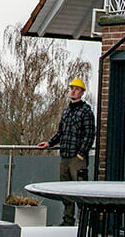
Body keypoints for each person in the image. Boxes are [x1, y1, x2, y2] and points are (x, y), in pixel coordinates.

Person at [39, 75, 96, 224]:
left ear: (82, 92)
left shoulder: (86, 111)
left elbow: (89, 134)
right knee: (65, 191)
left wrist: (81, 154)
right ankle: (68, 220)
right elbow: (60, 132)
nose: (73, 91)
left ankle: (84, 221)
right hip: (64, 156)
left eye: (76, 89)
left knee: (80, 191)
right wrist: (49, 143)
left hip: (76, 159)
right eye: (71, 89)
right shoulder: (66, 111)